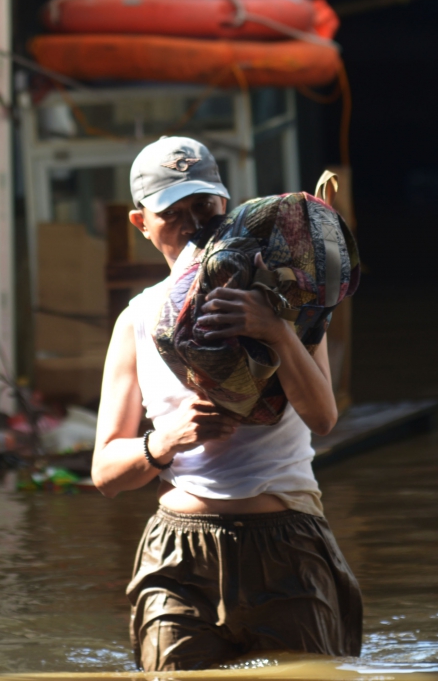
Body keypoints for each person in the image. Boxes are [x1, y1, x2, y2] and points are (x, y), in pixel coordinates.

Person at [92, 136, 362, 671]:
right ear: (140, 224)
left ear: (227, 205)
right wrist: (163, 442)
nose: (194, 225)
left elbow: (323, 419)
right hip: (178, 555)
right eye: (173, 213)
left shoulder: (288, 301)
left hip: (286, 542)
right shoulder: (138, 321)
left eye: (205, 207)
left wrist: (276, 332)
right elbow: (105, 473)